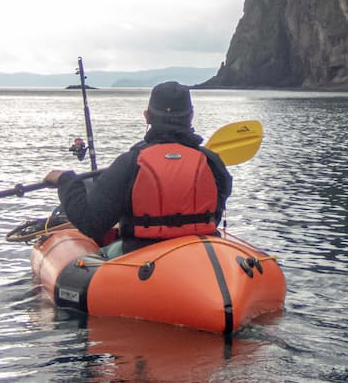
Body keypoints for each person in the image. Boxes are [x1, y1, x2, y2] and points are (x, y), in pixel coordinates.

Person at [44, 81, 232, 255]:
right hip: (200, 253)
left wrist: (66, 181)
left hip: (143, 258)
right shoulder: (213, 163)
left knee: (99, 256)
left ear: (147, 116)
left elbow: (91, 224)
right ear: (191, 115)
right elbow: (214, 214)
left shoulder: (129, 163)